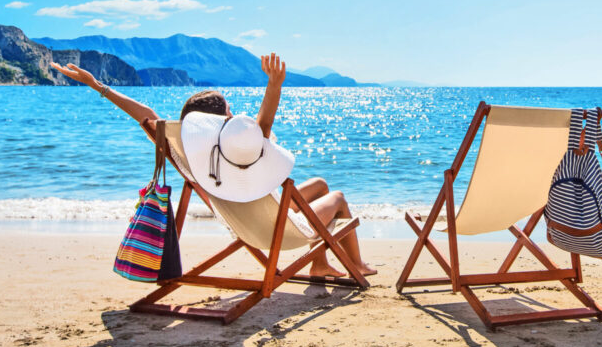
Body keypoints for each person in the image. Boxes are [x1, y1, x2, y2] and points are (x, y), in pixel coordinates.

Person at [51, 54, 376, 278]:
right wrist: (274, 84)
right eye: (230, 112)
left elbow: (147, 117)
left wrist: (99, 86)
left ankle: (319, 265)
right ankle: (357, 264)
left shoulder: (186, 153)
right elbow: (264, 124)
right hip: (273, 230)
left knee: (318, 185)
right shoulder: (241, 149)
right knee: (339, 198)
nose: (235, 117)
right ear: (222, 121)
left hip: (243, 221)